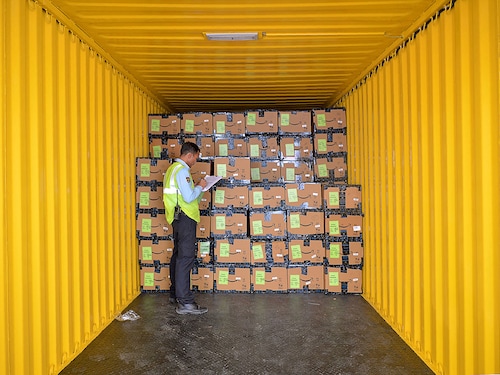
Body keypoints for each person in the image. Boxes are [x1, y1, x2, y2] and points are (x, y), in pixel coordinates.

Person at [163, 142, 208, 315]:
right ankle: (186, 302)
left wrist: (198, 187)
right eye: (196, 157)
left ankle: (176, 294)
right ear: (189, 155)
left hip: (176, 217)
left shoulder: (172, 170)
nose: (196, 161)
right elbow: (189, 197)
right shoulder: (182, 171)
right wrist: (200, 186)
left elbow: (184, 195)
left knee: (178, 256)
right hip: (185, 218)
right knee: (185, 258)